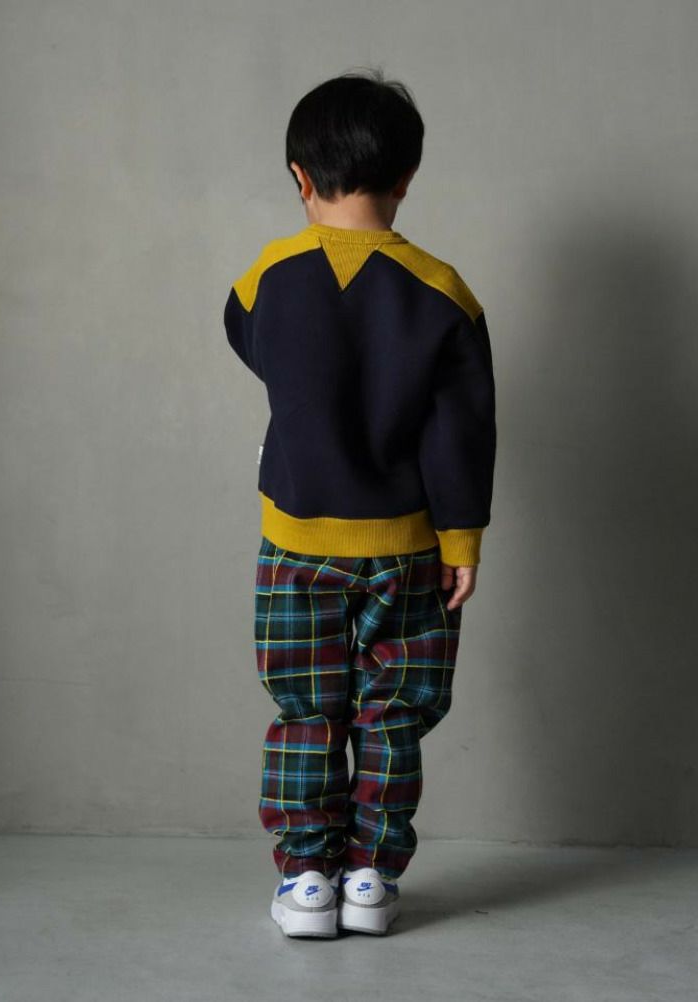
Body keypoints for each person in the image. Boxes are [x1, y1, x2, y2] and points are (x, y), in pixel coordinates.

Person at [223, 68, 497, 938]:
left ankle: (307, 879)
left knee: (307, 710)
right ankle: (372, 877)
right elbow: (462, 432)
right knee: (393, 714)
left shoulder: (268, 275)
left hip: (294, 543)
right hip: (408, 548)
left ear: (299, 177)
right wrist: (462, 541)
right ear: (406, 177)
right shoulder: (443, 291)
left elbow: (249, 342)